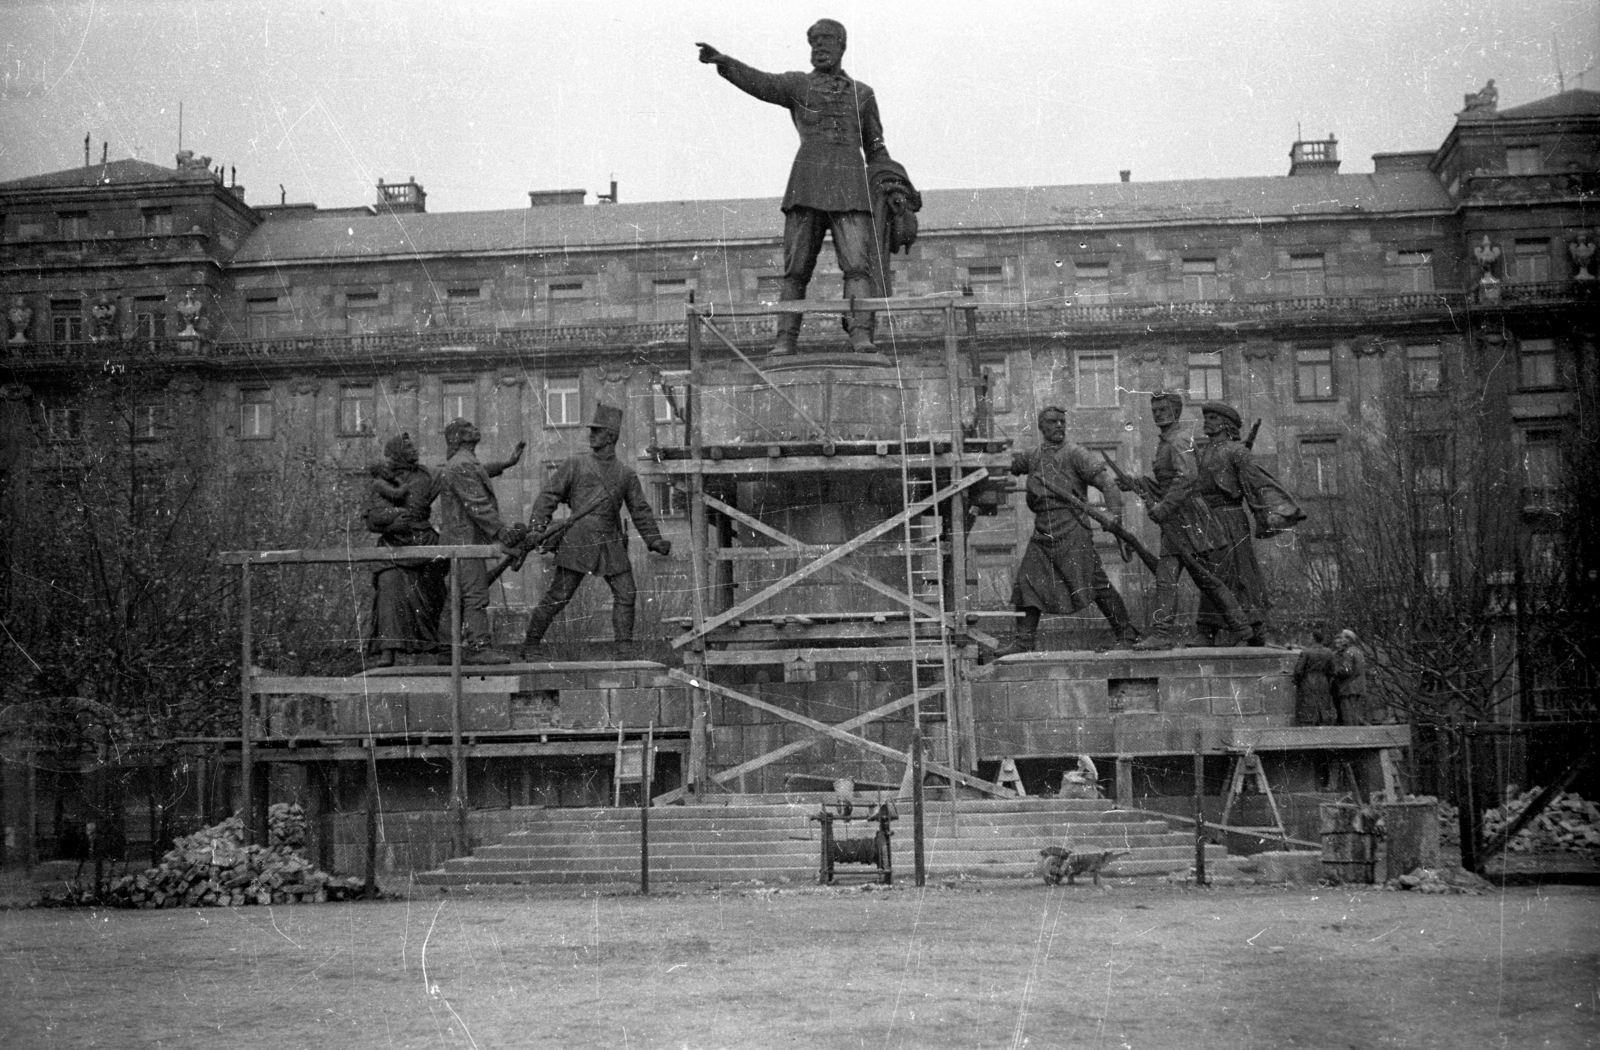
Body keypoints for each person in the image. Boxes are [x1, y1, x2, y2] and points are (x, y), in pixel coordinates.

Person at [697, 20, 893, 355]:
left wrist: (894, 185)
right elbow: (761, 83)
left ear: (842, 46)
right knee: (796, 269)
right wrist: (725, 63)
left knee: (858, 267)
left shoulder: (863, 94)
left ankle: (861, 334)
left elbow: (876, 148)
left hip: (851, 186)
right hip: (807, 185)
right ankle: (785, 339)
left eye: (827, 40)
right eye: (814, 41)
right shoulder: (797, 86)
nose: (820, 47)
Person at [521, 403, 672, 656]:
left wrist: (654, 541)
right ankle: (531, 645)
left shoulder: (626, 474)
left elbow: (640, 510)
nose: (591, 434)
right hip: (579, 539)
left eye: (597, 431)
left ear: (611, 437)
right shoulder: (576, 464)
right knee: (559, 596)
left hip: (611, 540)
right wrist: (536, 528)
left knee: (627, 593)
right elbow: (548, 495)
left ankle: (624, 649)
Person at [992, 406, 1139, 656]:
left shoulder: (1076, 453)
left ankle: (1126, 634)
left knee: (1094, 582)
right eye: (1052, 422)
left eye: (1062, 421)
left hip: (1072, 528)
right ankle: (1025, 641)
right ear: (1041, 427)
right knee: (1027, 582)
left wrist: (1114, 516)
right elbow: (1009, 464)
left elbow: (1108, 484)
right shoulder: (1034, 455)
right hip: (1044, 530)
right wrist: (990, 459)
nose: (1059, 426)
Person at [1154, 401, 1302, 645]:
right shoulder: (1204, 451)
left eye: (1212, 418)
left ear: (1226, 424)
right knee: (1213, 575)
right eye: (1207, 417)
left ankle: (1227, 629)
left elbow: (1257, 483)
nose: (1207, 421)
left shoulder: (1237, 451)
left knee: (1234, 574)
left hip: (1230, 519)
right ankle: (1224, 629)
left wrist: (1271, 513)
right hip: (1208, 518)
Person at [1117, 391, 1252, 649]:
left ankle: (1242, 628)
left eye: (1163, 408)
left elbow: (1187, 478)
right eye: (1154, 409)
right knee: (1171, 577)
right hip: (1177, 520)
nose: (1158, 413)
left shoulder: (1179, 440)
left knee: (1205, 579)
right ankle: (1163, 633)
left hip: (1189, 518)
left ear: (1175, 411)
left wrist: (1165, 508)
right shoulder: (1167, 441)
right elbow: (1166, 482)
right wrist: (1134, 484)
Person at [436, 419, 528, 665]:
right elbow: (477, 504)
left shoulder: (464, 462)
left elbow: (483, 471)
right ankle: (479, 647)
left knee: (456, 594)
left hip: (461, 540)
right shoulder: (461, 464)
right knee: (475, 593)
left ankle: (446, 648)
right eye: (467, 428)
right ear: (457, 437)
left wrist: (508, 463)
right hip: (465, 542)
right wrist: (501, 532)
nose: (474, 429)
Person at [364, 433, 445, 666]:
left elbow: (455, 476)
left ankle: (431, 649)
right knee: (389, 587)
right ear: (397, 452)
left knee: (433, 591)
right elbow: (371, 518)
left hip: (424, 540)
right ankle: (388, 649)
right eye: (407, 447)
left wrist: (504, 465)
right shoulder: (385, 480)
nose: (414, 450)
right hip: (395, 545)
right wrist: (391, 524)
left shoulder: (424, 475)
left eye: (413, 445)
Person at [1292, 629, 1339, 726]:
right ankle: (1322, 721)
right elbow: (1333, 670)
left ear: (1313, 639)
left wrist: (1297, 681)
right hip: (1323, 680)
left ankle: (1310, 722)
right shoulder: (1328, 652)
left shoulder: (1306, 652)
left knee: (1308, 703)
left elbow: (1299, 670)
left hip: (1308, 680)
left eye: (1310, 637)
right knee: (1322, 701)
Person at [1332, 629, 1370, 725]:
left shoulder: (1348, 653)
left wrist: (1334, 671)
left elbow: (1346, 671)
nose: (1341, 640)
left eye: (1342, 638)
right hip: (1358, 686)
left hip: (1348, 687)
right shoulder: (1358, 651)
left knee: (1348, 715)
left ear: (1348, 639)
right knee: (1354, 714)